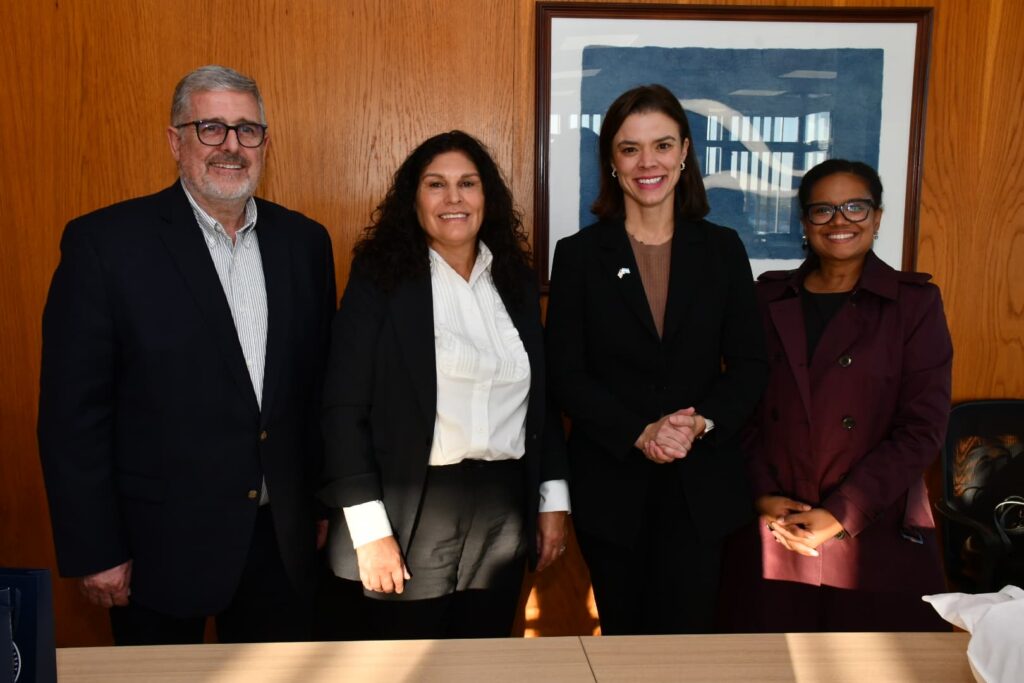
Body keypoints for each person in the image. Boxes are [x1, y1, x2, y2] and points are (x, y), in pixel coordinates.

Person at [37, 65, 337, 645]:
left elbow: (316, 389)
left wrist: (319, 507)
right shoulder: (105, 245)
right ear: (175, 141)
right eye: (211, 128)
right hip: (157, 549)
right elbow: (73, 416)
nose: (231, 145)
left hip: (280, 543)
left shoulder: (304, 243)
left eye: (247, 129)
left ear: (265, 143)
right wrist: (96, 549)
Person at [319, 130, 569, 639]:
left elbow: (540, 402)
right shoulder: (381, 280)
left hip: (504, 514)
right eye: (436, 184)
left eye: (467, 183)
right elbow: (342, 409)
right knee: (405, 663)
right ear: (413, 199)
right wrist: (369, 532)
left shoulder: (515, 282)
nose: (453, 198)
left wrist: (553, 501)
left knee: (483, 661)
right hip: (409, 511)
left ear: (486, 197)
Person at [544, 84, 768, 635]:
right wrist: (639, 432)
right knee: (624, 643)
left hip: (702, 492)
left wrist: (700, 422)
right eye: (630, 149)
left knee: (689, 649)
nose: (648, 163)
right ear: (612, 161)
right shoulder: (577, 256)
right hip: (611, 491)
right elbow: (566, 374)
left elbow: (750, 364)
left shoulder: (723, 250)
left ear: (685, 152)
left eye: (662, 145)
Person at [719, 159, 952, 632]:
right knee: (767, 659)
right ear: (804, 223)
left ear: (877, 217)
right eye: (822, 209)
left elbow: (921, 429)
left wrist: (841, 513)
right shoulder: (766, 299)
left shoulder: (915, 304)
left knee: (874, 661)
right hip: (777, 525)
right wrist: (764, 496)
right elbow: (740, 409)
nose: (839, 220)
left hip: (876, 525)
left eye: (855, 207)